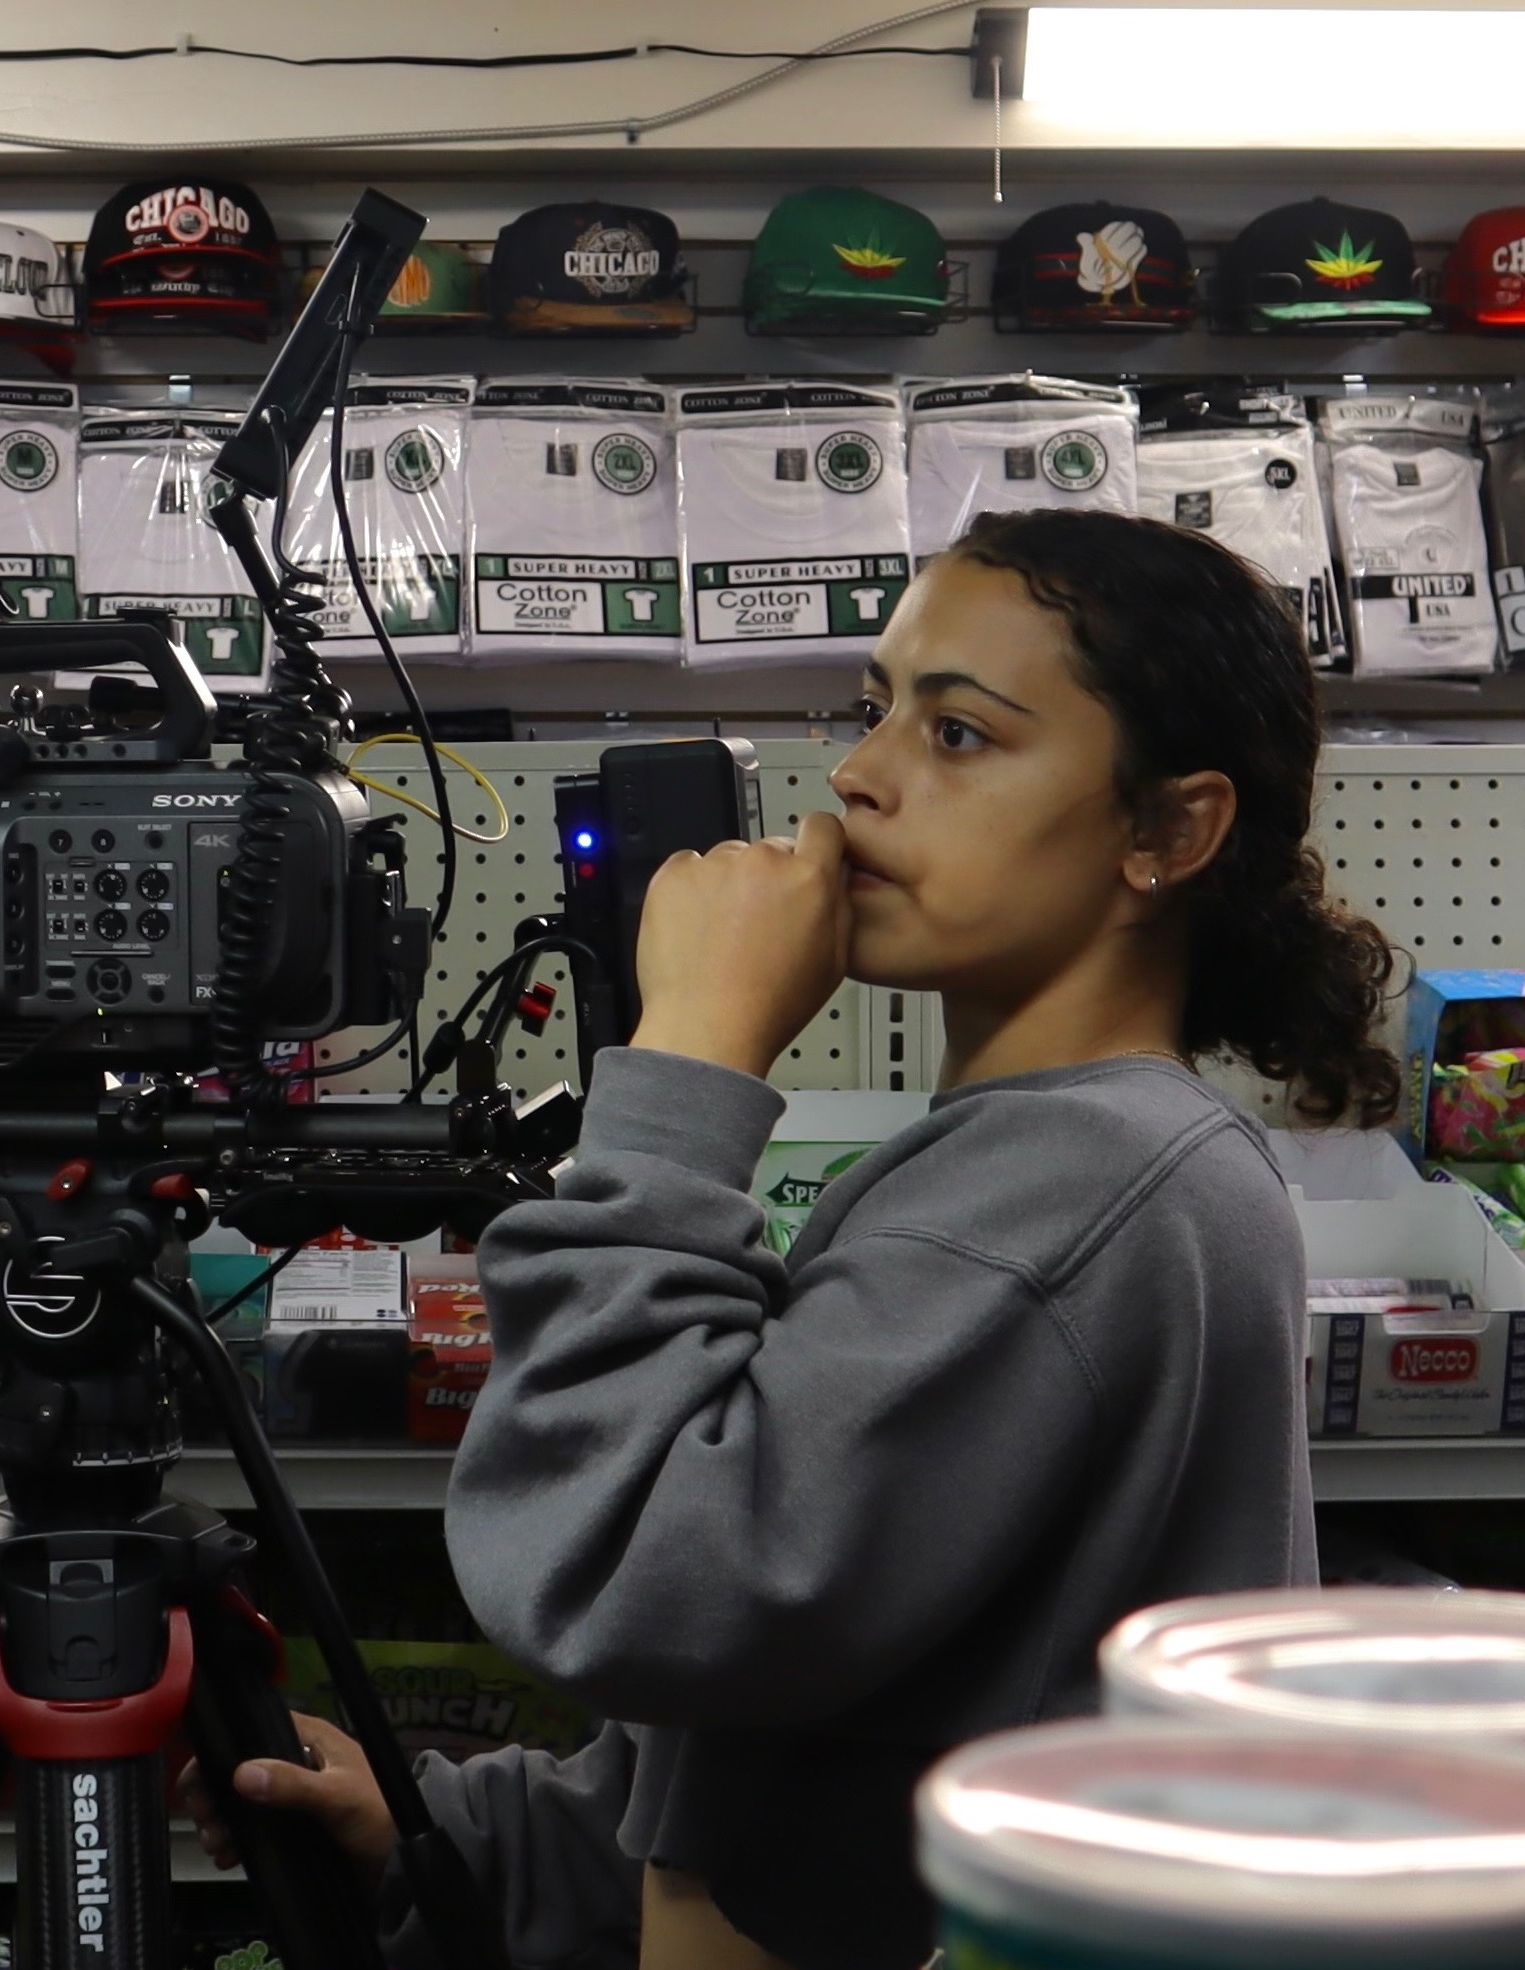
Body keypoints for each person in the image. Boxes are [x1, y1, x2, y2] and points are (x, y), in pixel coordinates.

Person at [183, 508, 1400, 1970]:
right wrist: (451, 1833)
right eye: (874, 708)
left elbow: (630, 1575)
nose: (859, 773)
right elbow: (799, 1739)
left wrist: (689, 1060)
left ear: (1167, 830)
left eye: (959, 733)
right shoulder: (1054, 1159)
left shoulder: (1080, 1182)